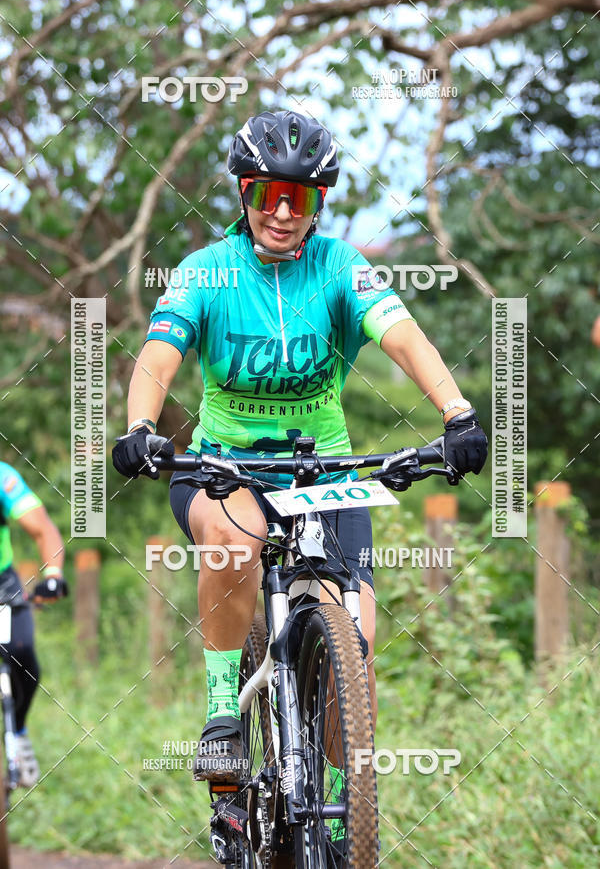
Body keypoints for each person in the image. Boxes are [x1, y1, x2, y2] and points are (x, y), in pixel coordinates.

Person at [112, 109, 488, 787]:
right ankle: (222, 714)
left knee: (355, 664)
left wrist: (456, 412)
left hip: (325, 471)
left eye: (301, 198)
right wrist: (141, 425)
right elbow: (159, 355)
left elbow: (404, 337)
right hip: (223, 468)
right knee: (236, 542)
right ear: (244, 193)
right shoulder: (207, 272)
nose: (283, 213)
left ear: (318, 204)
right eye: (268, 194)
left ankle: (339, 820)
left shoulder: (340, 266)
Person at [0, 461, 68, 786]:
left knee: (23, 653)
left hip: (3, 587)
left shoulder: (3, 476)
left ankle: (18, 730)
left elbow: (42, 529)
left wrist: (53, 575)